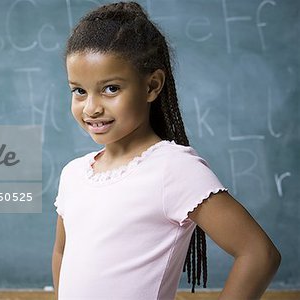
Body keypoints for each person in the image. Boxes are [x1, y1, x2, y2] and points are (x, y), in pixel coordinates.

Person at [51, 2, 281, 299]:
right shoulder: (74, 174)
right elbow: (61, 253)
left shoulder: (173, 169)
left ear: (152, 86)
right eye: (79, 91)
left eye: (111, 89)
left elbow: (258, 254)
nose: (92, 108)